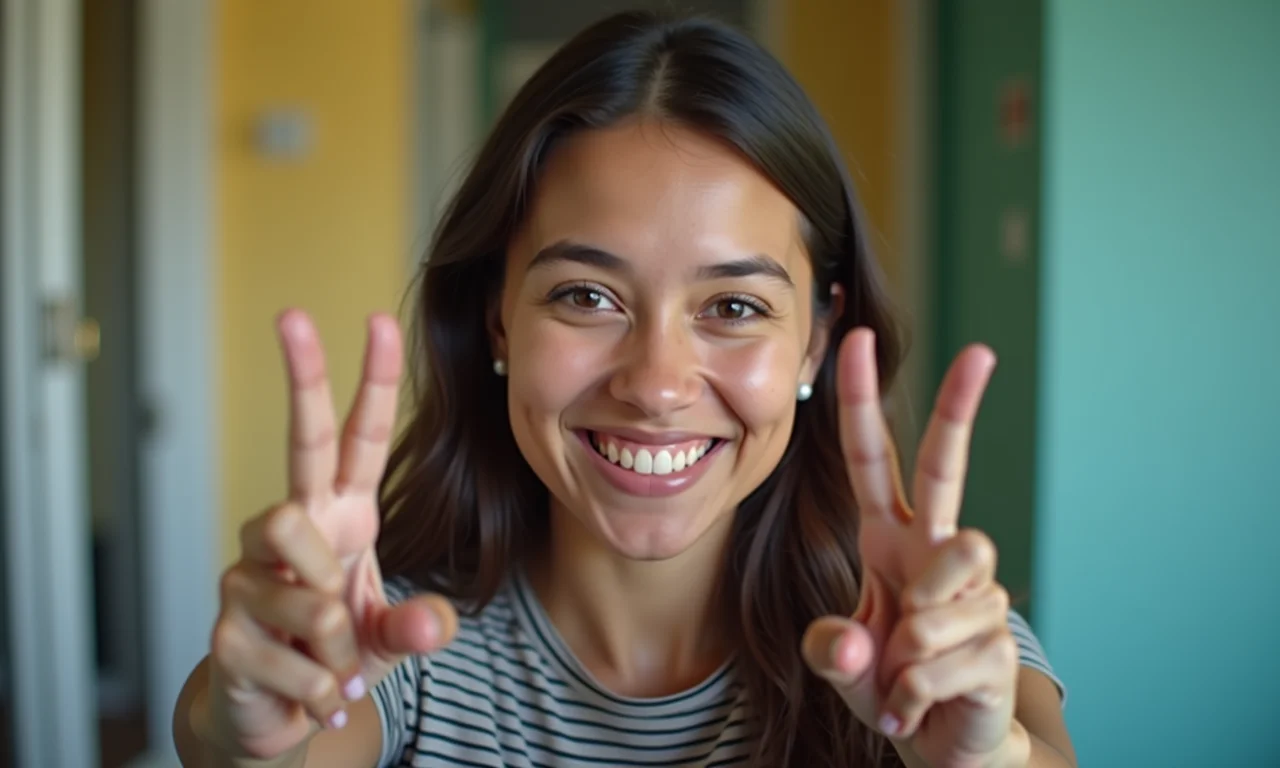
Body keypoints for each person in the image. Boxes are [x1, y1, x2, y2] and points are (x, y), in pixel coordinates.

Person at [174, 10, 1076, 768]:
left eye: (732, 304)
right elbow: (271, 743)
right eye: (586, 295)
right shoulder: (399, 647)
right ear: (498, 320)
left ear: (816, 343)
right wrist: (251, 731)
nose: (655, 385)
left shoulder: (929, 651)